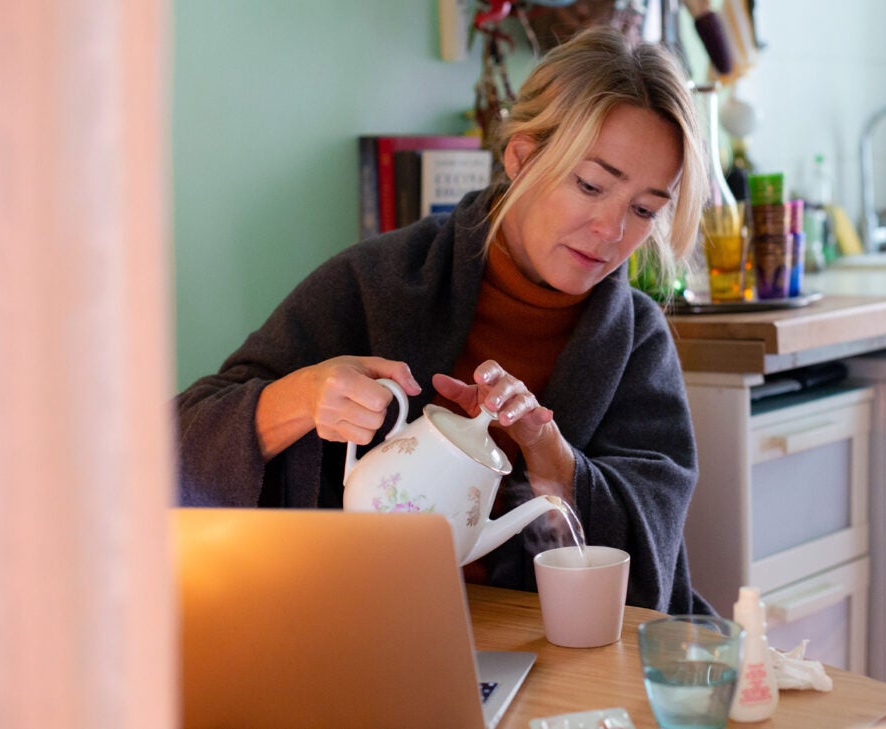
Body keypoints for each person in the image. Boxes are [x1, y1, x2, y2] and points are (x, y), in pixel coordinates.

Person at [175, 26, 713, 615]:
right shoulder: (375, 282)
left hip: (555, 649)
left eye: (643, 210)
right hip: (361, 632)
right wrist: (303, 398)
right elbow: (176, 448)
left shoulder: (637, 343)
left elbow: (649, 560)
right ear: (522, 156)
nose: (612, 231)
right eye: (590, 185)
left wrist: (550, 457)